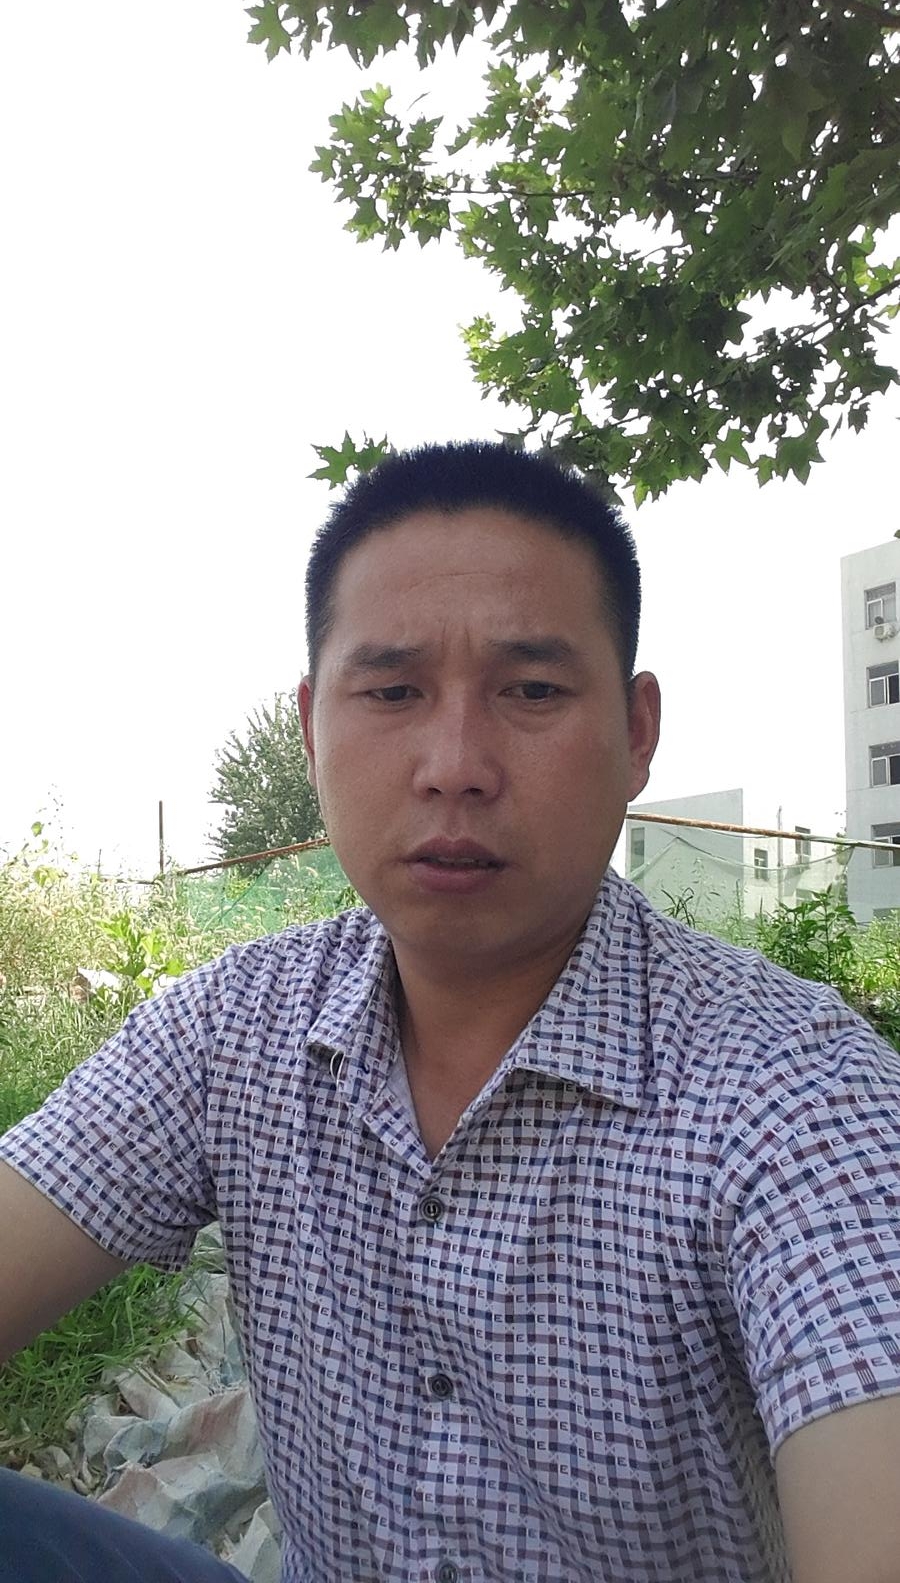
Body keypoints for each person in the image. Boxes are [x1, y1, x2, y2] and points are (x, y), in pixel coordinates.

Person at [1, 440, 899, 1583]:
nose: (456, 763)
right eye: (392, 691)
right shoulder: (234, 1030)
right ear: (312, 730)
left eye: (532, 690)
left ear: (636, 733)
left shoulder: (793, 1093)